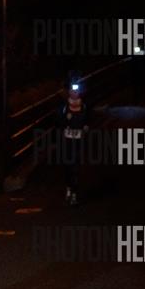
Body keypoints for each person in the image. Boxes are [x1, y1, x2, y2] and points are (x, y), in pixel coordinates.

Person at [58, 76, 90, 206]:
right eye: (72, 91)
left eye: (76, 91)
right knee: (68, 166)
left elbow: (87, 120)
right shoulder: (64, 107)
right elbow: (58, 122)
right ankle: (68, 187)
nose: (74, 93)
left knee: (75, 167)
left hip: (78, 141)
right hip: (67, 141)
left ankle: (74, 193)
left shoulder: (84, 106)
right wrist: (64, 126)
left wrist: (86, 127)